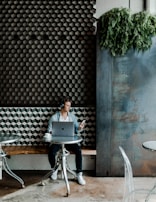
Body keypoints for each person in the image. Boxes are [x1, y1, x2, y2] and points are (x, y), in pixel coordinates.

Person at [47, 96, 86, 185]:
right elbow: (49, 130)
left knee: (78, 151)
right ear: (62, 105)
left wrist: (80, 128)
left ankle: (79, 174)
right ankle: (54, 170)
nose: (69, 107)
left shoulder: (72, 117)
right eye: (67, 105)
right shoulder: (54, 117)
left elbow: (77, 129)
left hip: (69, 141)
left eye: (69, 105)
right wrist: (50, 132)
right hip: (57, 141)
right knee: (51, 152)